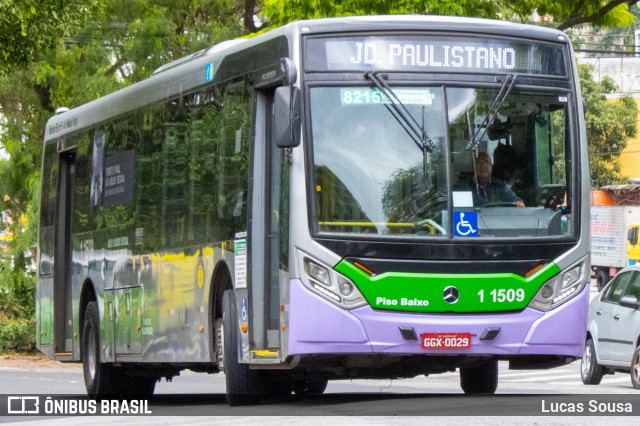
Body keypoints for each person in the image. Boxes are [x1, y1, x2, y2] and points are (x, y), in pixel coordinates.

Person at [456, 151, 525, 207]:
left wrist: (518, 202)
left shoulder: (500, 185)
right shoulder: (463, 187)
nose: (483, 166)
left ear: (492, 166)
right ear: (472, 167)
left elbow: (516, 201)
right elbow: (460, 210)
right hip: (474, 221)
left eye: (486, 162)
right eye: (479, 163)